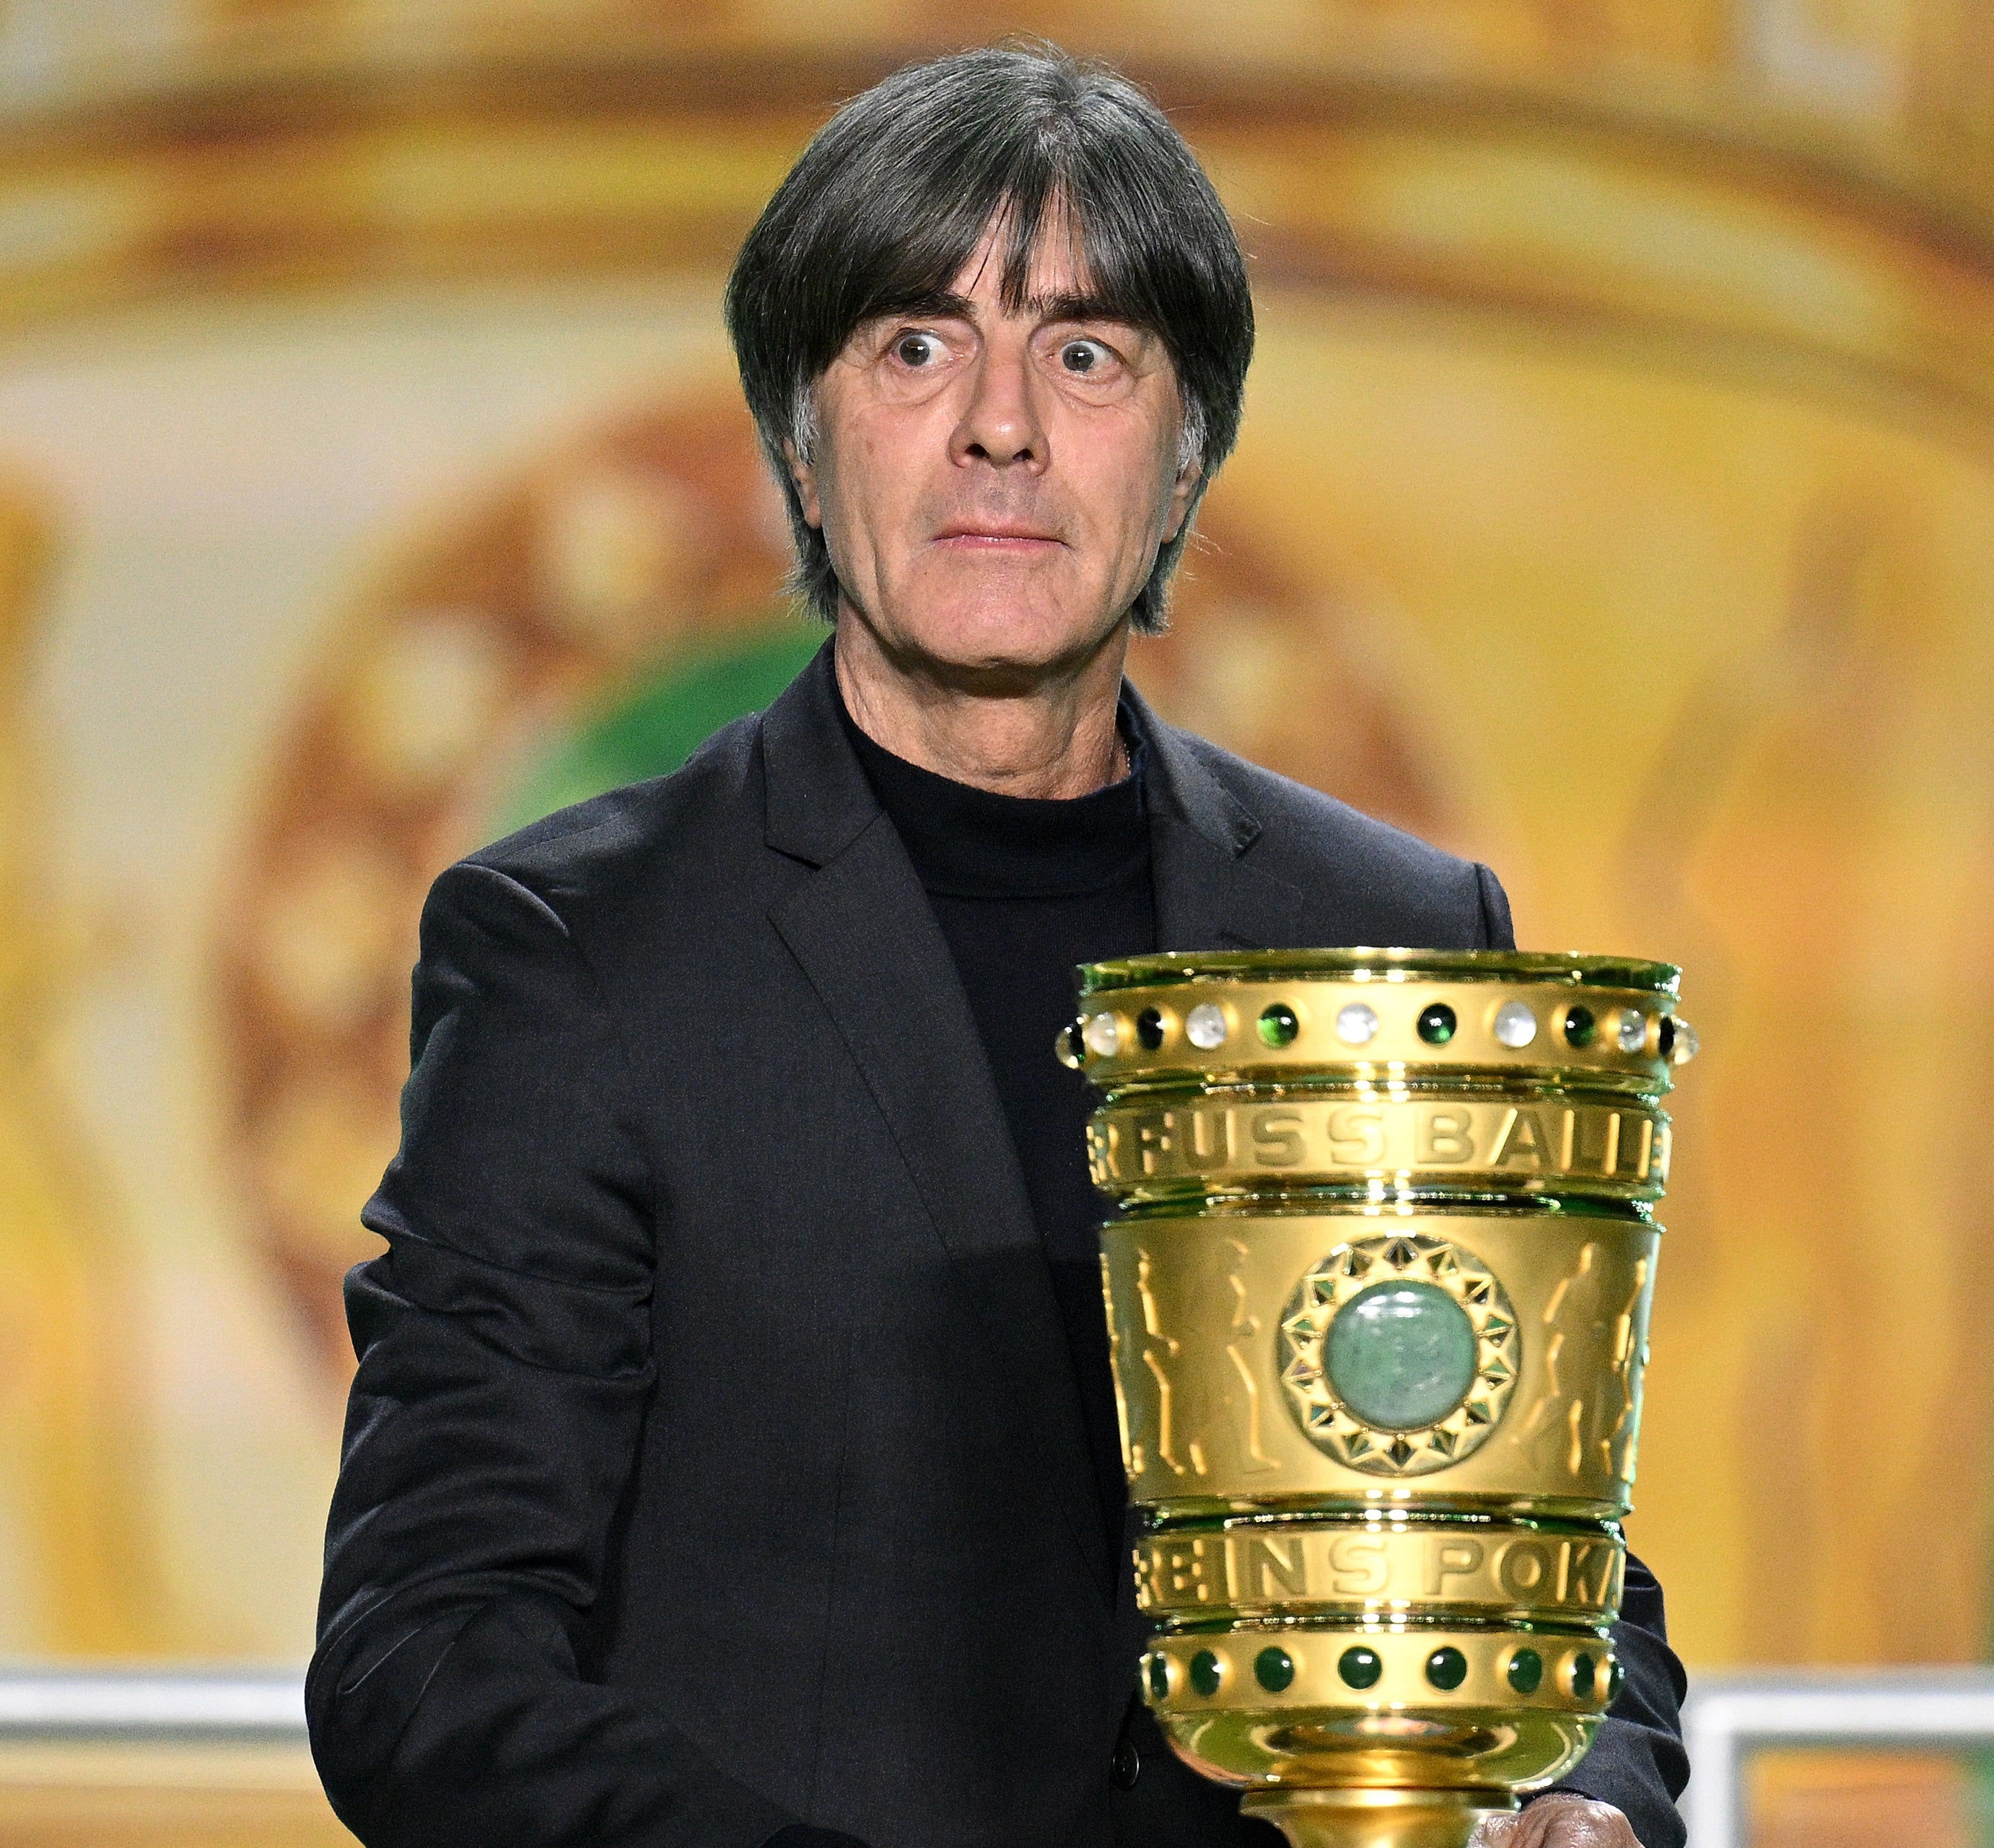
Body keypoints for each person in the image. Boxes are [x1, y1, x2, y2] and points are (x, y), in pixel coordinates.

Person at [306, 43, 1687, 1848]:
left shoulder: (1389, 935)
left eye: (1086, 354)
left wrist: (1588, 1793)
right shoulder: (584, 951)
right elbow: (426, 1657)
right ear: (801, 447)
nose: (1001, 426)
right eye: (914, 347)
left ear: (1186, 460)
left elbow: (1527, 1537)